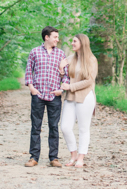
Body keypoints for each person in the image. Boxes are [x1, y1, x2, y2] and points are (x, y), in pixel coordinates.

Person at [24, 26, 69, 167]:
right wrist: (31, 87)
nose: (57, 39)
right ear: (46, 37)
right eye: (55, 37)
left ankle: (53, 158)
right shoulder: (34, 52)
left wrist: (61, 90)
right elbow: (28, 71)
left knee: (54, 126)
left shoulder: (61, 54)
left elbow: (66, 75)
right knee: (36, 126)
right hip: (38, 94)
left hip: (54, 95)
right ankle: (34, 157)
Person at [58, 33, 98, 168]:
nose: (72, 43)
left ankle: (81, 157)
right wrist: (61, 69)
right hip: (70, 96)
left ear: (82, 43)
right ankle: (73, 154)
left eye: (75, 41)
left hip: (85, 96)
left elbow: (89, 80)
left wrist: (71, 87)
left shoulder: (92, 60)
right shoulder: (69, 58)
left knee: (83, 128)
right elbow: (64, 77)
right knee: (65, 127)